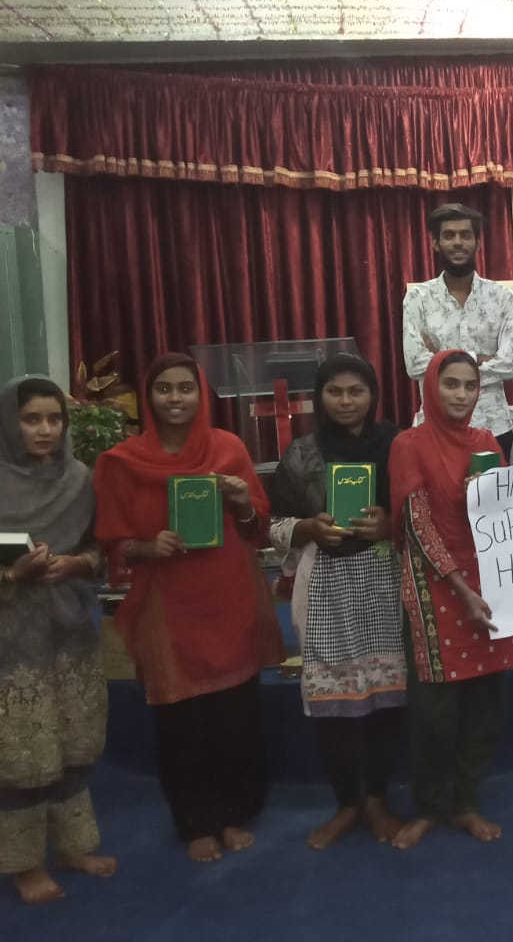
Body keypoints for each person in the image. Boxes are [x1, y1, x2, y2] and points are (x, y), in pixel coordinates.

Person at [94, 354, 284, 863]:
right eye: (164, 389)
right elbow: (112, 544)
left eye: (186, 388)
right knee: (182, 720)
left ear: (202, 394)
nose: (175, 398)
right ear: (148, 396)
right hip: (168, 607)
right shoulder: (122, 462)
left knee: (235, 716)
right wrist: (144, 547)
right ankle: (196, 821)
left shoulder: (228, 449)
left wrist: (242, 503)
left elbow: (257, 530)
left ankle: (237, 811)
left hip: (229, 598)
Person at [389, 350, 513, 848]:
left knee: (484, 707)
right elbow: (417, 525)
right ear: (431, 387)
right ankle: (430, 806)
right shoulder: (408, 444)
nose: (461, 394)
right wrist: (462, 589)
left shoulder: (486, 442)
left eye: (470, 385)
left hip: (488, 583)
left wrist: (490, 495)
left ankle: (467, 803)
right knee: (434, 713)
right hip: (436, 587)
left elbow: (508, 515)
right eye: (451, 383)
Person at [268, 353, 406, 850]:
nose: (346, 401)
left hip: (385, 581)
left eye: (356, 391)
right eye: (334, 392)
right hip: (325, 586)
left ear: (373, 395)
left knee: (385, 697)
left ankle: (377, 799)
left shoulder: (398, 445)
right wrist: (308, 527)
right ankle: (347, 804)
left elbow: (420, 505)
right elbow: (274, 523)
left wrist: (390, 522)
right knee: (333, 703)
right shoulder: (301, 454)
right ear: (319, 397)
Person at [0, 377, 114, 904]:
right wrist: (13, 576)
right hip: (11, 640)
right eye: (31, 420)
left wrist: (76, 563)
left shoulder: (80, 479)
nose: (45, 430)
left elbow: (102, 550)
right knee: (22, 752)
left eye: (54, 419)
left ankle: (73, 847)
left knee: (74, 740)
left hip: (70, 629)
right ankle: (24, 864)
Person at [402, 202, 513, 458]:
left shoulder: (502, 297)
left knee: (492, 488)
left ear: (477, 243)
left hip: (493, 427)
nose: (458, 242)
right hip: (434, 430)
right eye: (449, 235)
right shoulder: (418, 298)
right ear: (436, 243)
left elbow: (511, 365)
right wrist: (479, 358)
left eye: (465, 235)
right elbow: (414, 365)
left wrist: (439, 360)